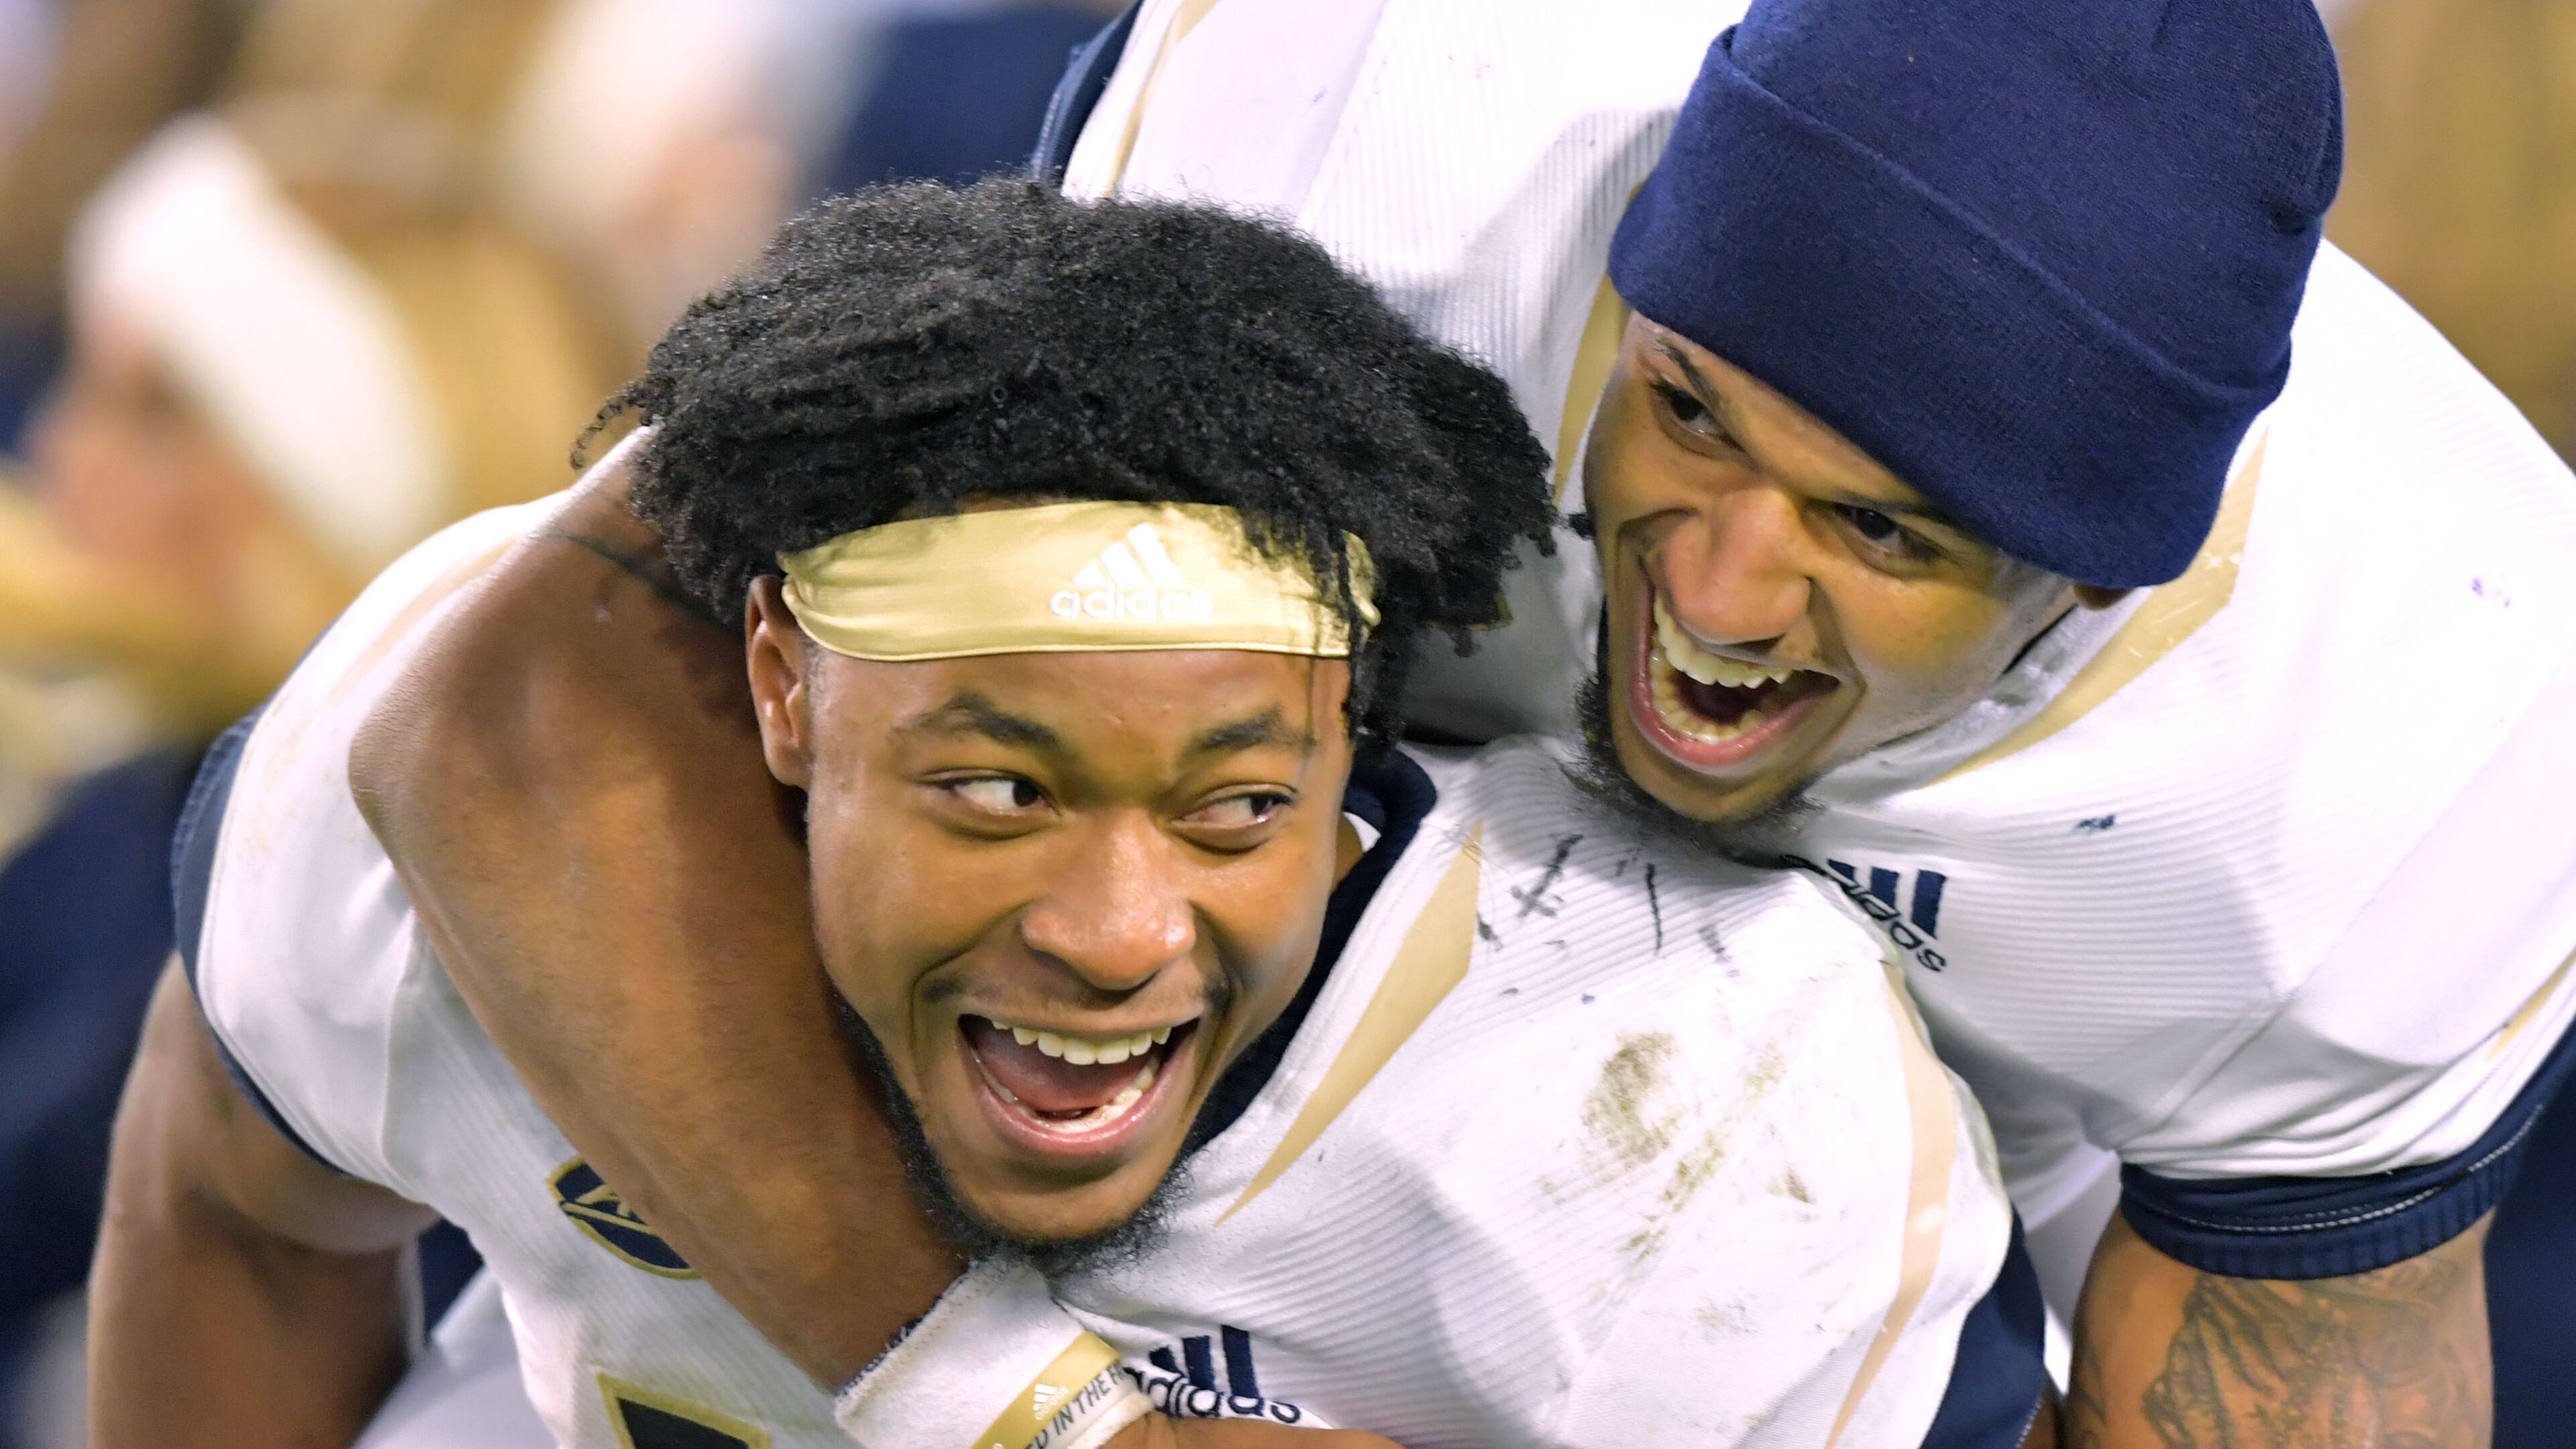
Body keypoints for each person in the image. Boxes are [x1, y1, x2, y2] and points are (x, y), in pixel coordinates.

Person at [91, 180, 2035, 1449]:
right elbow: (231, 1204)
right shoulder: (473, 841)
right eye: (996, 790)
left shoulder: (1683, 1128)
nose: (1115, 928)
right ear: (782, 686)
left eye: (1234, 806)